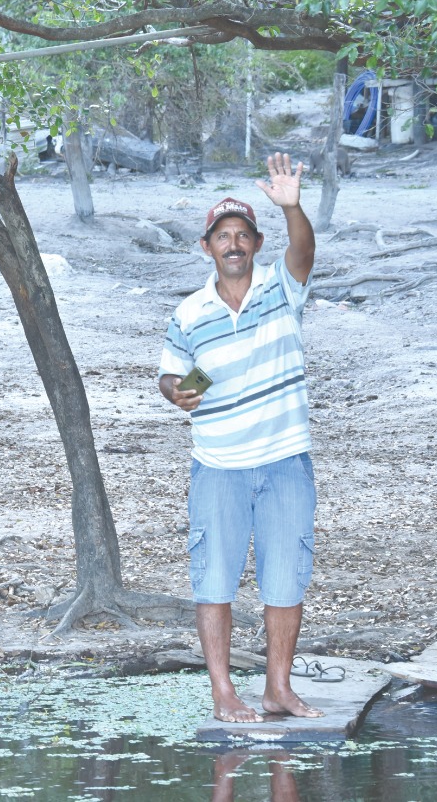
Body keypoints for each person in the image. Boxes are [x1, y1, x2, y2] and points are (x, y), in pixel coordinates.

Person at [158, 152, 320, 723]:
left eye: (243, 235)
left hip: (283, 461)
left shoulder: (281, 290)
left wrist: (291, 206)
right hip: (218, 465)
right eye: (222, 236)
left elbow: (303, 252)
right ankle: (224, 692)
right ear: (207, 248)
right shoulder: (190, 313)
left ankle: (278, 688)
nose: (233, 244)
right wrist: (175, 390)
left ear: (254, 244)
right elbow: (171, 372)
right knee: (215, 581)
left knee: (284, 577)